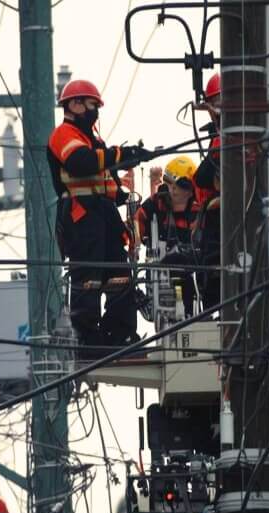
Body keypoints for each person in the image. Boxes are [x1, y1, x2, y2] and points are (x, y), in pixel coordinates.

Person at [47, 79, 151, 352]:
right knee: (88, 276)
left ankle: (119, 334)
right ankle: (86, 339)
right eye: (92, 105)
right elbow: (82, 163)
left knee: (118, 273)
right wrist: (121, 154)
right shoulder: (64, 135)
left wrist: (124, 183)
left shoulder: (93, 140)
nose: (95, 112)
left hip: (102, 214)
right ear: (75, 104)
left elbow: (106, 178)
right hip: (81, 216)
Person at [134, 156, 202, 313]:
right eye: (169, 183)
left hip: (189, 270)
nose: (173, 189)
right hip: (159, 268)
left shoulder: (198, 211)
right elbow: (137, 221)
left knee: (189, 305)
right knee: (155, 309)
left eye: (178, 185)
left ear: (189, 189)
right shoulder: (155, 204)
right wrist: (135, 242)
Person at [191, 73, 223, 311]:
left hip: (226, 218)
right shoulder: (218, 138)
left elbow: (202, 176)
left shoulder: (231, 137)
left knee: (218, 276)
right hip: (213, 217)